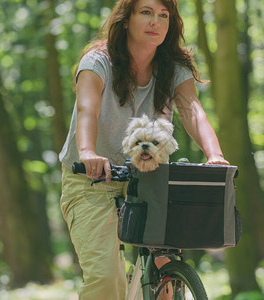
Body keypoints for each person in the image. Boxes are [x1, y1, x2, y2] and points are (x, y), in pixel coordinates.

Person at [59, 0, 229, 298]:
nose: (156, 21)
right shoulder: (97, 62)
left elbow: (192, 110)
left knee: (164, 266)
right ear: (126, 20)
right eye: (146, 12)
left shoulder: (172, 67)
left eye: (164, 15)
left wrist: (214, 154)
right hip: (92, 178)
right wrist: (87, 152)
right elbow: (87, 109)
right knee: (106, 277)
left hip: (148, 175)